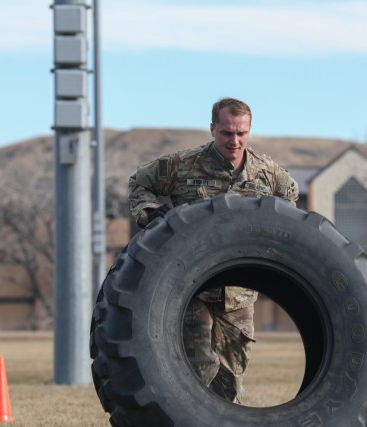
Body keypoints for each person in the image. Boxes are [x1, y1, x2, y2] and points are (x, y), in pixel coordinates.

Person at [127, 97, 298, 403]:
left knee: (231, 380)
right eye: (227, 133)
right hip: (193, 287)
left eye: (241, 133)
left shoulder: (267, 172)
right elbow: (139, 183)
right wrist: (153, 218)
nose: (235, 141)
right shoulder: (182, 166)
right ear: (212, 129)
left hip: (239, 291)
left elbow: (289, 201)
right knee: (200, 369)